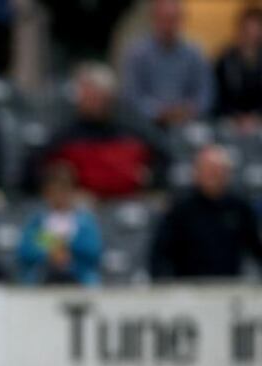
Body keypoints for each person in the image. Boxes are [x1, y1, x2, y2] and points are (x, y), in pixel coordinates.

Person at [37, 62, 160, 200]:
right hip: (81, 205)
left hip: (130, 200)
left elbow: (164, 162)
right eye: (84, 94)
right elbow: (34, 172)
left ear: (108, 98)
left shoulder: (132, 132)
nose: (87, 100)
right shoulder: (65, 136)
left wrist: (150, 177)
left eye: (94, 95)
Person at [150, 145, 262, 280]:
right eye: (207, 170)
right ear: (196, 173)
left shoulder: (239, 207)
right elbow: (160, 253)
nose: (212, 175)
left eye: (217, 170)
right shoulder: (180, 209)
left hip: (229, 285)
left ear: (227, 173)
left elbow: (255, 247)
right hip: (187, 288)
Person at [121, 0, 212, 128]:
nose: (168, 25)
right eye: (164, 19)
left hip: (188, 123)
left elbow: (206, 94)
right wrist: (158, 111)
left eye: (173, 19)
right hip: (147, 125)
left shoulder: (195, 53)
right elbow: (131, 96)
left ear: (182, 20)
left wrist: (188, 109)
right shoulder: (137, 54)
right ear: (154, 19)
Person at [17, 163, 102, 285]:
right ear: (46, 193)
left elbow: (93, 251)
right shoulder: (37, 221)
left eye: (64, 191)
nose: (59, 197)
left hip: (78, 275)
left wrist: (67, 250)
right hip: (42, 275)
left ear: (72, 192)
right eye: (54, 192)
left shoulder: (85, 221)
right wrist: (50, 253)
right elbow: (26, 250)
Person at [215, 7, 262, 129]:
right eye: (248, 31)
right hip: (230, 121)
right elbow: (218, 98)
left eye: (256, 31)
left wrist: (255, 118)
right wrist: (237, 117)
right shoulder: (226, 61)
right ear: (240, 30)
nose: (252, 36)